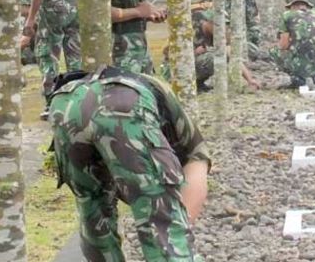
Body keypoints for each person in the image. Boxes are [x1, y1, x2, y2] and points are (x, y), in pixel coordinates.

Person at [48, 65, 210, 262]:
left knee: (93, 210)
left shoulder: (151, 93)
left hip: (64, 102)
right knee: (163, 223)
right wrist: (177, 232)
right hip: (121, 105)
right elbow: (197, 166)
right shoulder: (180, 126)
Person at [271, 0, 315, 88]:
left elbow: (284, 45)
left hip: (301, 60)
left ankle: (298, 77)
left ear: (292, 6)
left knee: (274, 51)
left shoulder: (287, 15)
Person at [18, 0, 36, 66]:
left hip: (35, 56)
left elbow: (24, 42)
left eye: (21, 6)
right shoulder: (26, 19)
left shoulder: (34, 19)